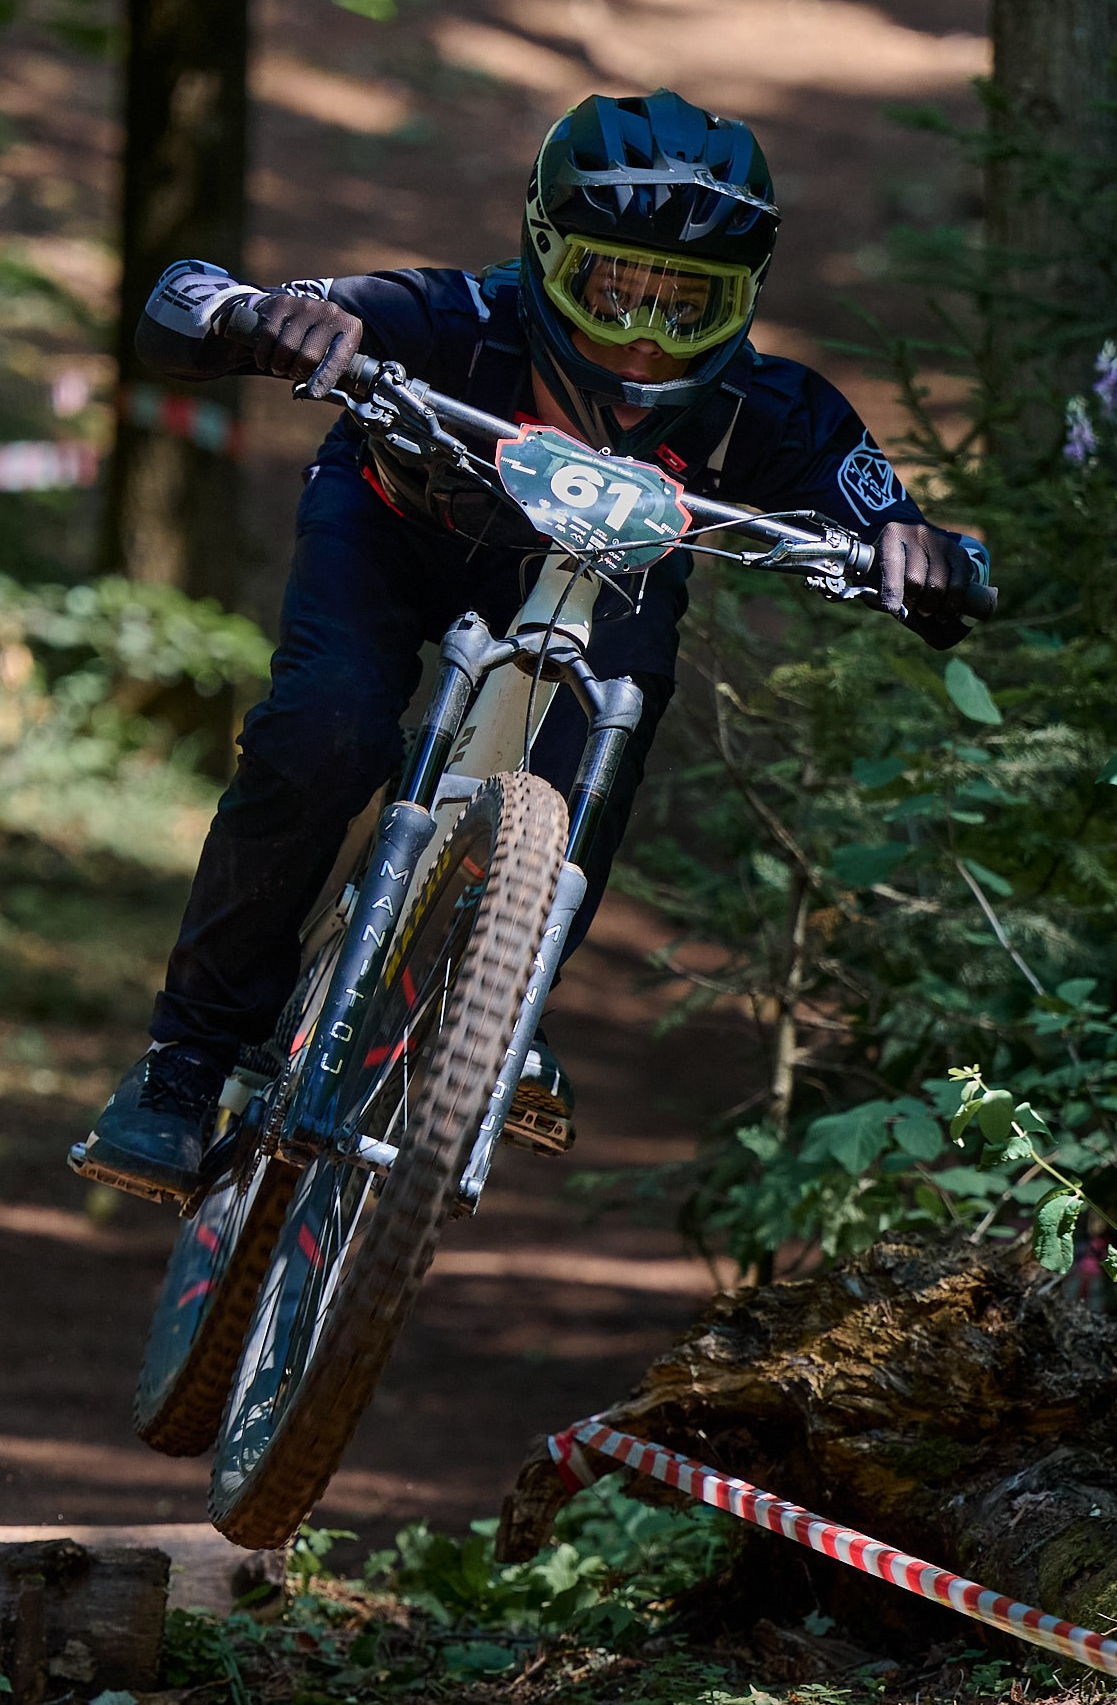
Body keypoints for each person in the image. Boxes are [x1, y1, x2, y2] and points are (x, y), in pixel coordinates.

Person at [74, 89, 981, 1203]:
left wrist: (920, 557)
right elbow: (186, 302)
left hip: (613, 571)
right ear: (548, 257)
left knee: (614, 723)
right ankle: (186, 1060)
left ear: (741, 302)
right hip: (394, 527)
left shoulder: (770, 410)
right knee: (329, 726)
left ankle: (506, 1003)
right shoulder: (450, 317)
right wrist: (262, 319)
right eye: (617, 290)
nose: (645, 335)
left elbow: (891, 520)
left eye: (684, 304)